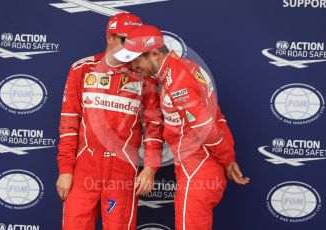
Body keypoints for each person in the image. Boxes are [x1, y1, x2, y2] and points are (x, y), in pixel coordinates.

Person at [114, 25, 250, 230]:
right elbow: (217, 115)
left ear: (153, 54)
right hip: (200, 167)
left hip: (198, 171)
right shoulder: (188, 68)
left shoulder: (178, 81)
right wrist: (228, 159)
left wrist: (227, 159)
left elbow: (206, 129)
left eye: (136, 59)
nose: (133, 65)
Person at [56, 14, 164, 230]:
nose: (131, 47)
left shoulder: (145, 76)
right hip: (84, 169)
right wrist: (65, 170)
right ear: (109, 38)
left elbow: (154, 127)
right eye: (125, 39)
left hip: (122, 171)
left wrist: (151, 168)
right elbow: (69, 123)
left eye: (135, 41)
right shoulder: (82, 69)